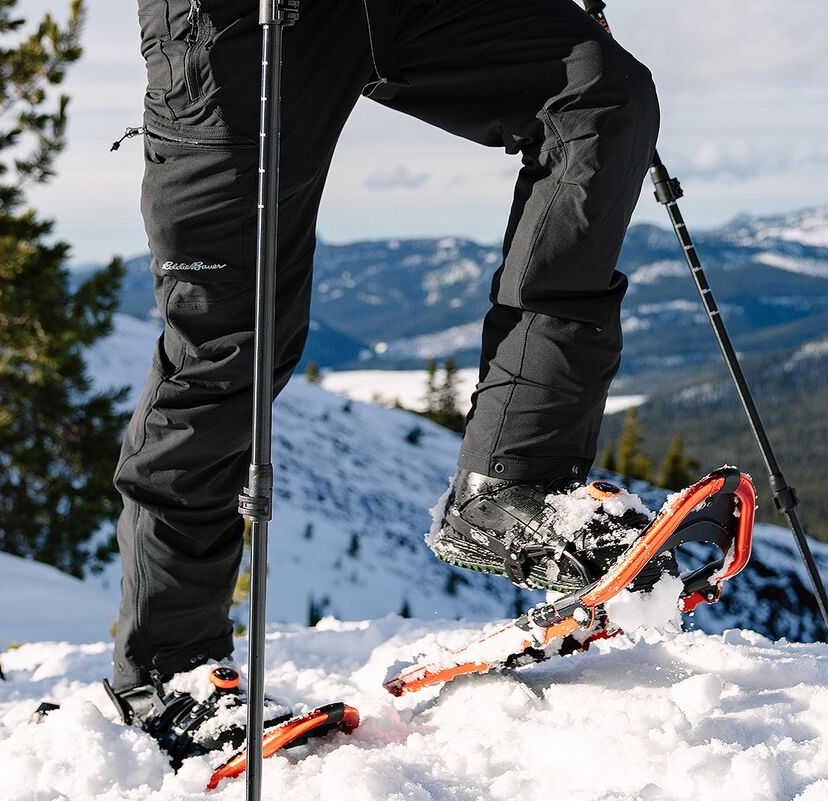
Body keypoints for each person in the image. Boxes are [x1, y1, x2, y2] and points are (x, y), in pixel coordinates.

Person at [107, 0, 661, 751]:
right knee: (230, 341)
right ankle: (167, 670)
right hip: (233, 18)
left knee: (600, 93)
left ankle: (512, 483)